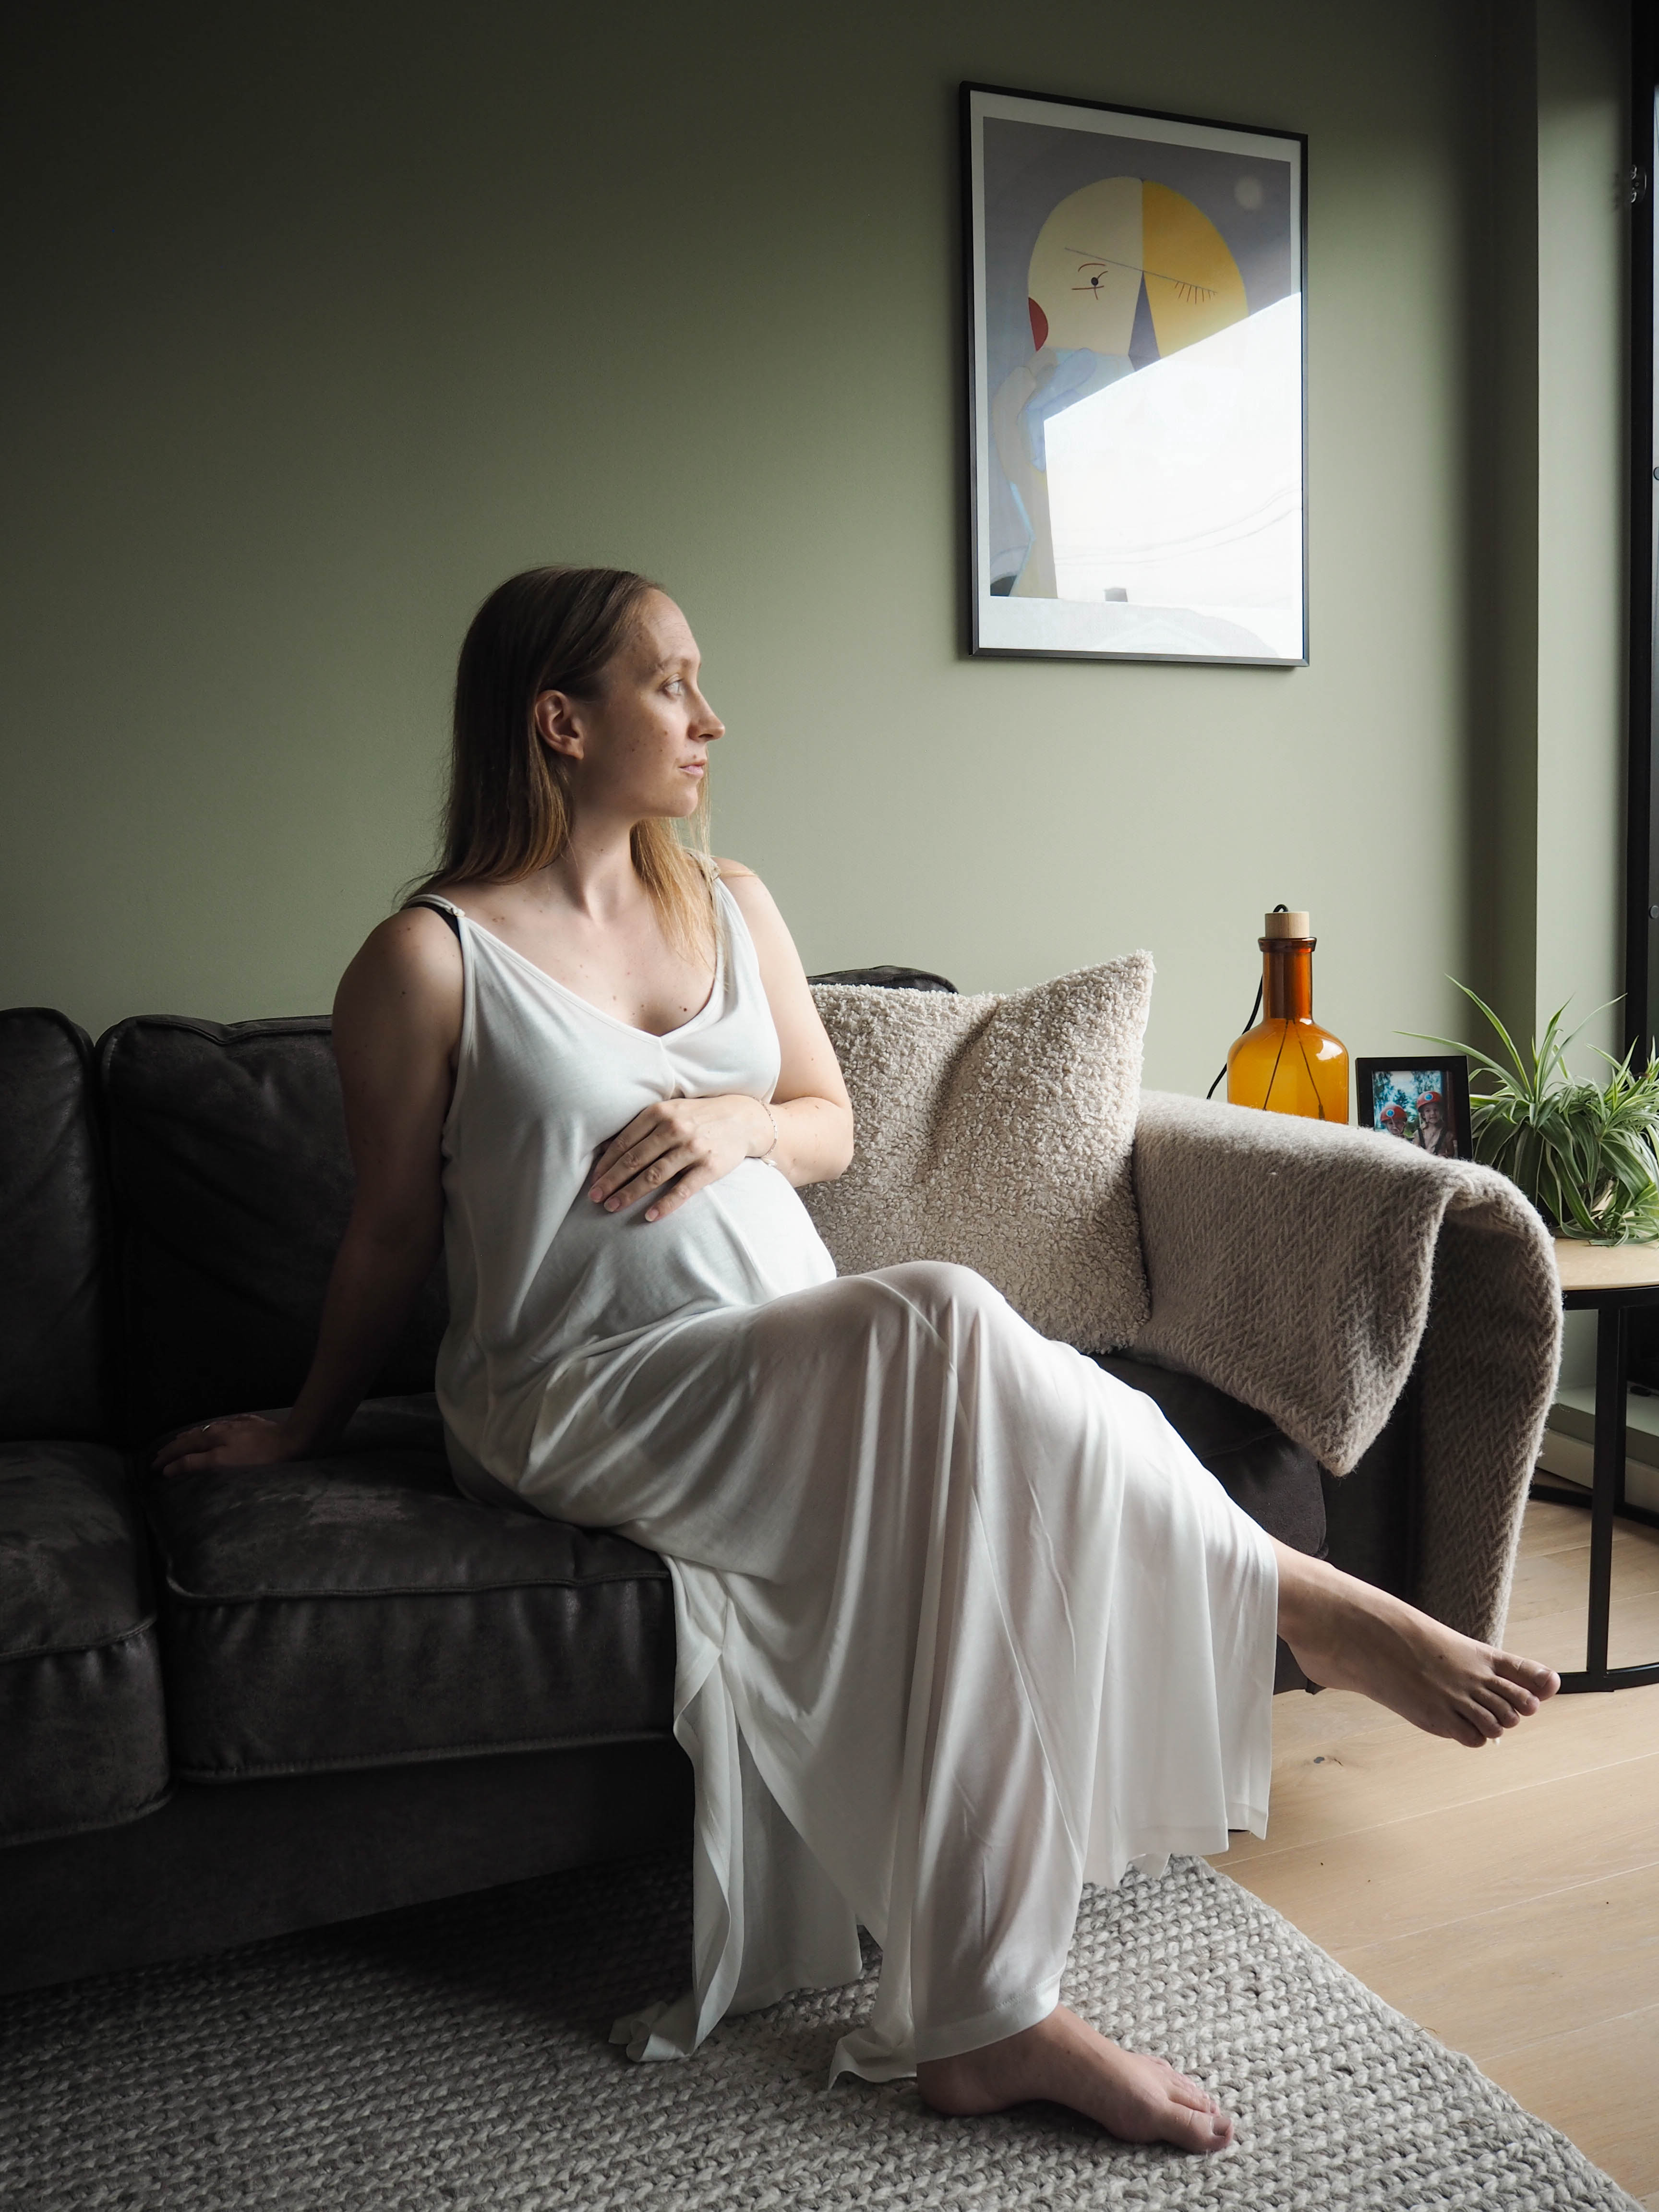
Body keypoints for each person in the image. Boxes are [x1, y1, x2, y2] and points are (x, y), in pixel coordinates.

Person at [156, 566, 1560, 2156]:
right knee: (943, 1316)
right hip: (581, 1389)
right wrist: (303, 1424)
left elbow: (823, 1126)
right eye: (672, 684)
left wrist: (734, 1119)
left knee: (953, 1440)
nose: (711, 716)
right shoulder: (426, 964)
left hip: (786, 1355)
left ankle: (986, 2014)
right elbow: (393, 1241)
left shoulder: (731, 903)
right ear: (561, 721)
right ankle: (1289, 1602)